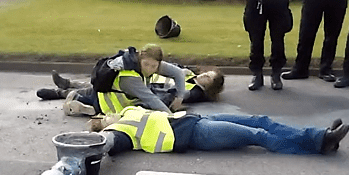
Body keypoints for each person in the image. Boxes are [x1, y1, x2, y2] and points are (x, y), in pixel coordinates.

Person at [88, 106, 349, 156]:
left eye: (101, 116)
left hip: (197, 118)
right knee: (258, 137)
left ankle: (319, 134)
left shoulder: (129, 111)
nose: (104, 118)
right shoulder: (120, 132)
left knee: (261, 120)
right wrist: (98, 139)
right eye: (101, 121)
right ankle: (320, 142)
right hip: (196, 135)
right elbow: (110, 143)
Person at [59, 44, 191, 116]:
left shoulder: (148, 63)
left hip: (120, 98)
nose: (150, 69)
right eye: (146, 65)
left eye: (154, 66)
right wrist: (171, 118)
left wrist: (179, 98)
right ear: (140, 58)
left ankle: (77, 97)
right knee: (152, 107)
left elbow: (178, 73)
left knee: (161, 98)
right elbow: (151, 99)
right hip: (105, 103)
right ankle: (76, 97)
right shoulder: (129, 78)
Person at [38, 66, 225, 106]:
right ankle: (68, 84)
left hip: (147, 91)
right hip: (147, 83)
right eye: (206, 73)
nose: (203, 75)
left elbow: (174, 94)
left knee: (103, 89)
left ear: (210, 86)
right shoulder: (191, 78)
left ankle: (60, 92)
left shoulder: (194, 92)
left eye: (208, 77)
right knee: (106, 82)